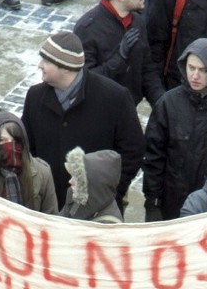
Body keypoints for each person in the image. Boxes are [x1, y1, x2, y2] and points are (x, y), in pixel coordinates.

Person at [21, 31, 144, 209]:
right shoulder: (34, 97)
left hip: (96, 210)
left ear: (65, 67)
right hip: (48, 208)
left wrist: (110, 191)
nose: (40, 65)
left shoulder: (115, 98)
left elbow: (133, 151)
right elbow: (27, 149)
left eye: (46, 61)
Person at [142, 38, 207, 223]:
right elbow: (153, 158)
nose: (195, 76)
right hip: (173, 202)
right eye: (191, 68)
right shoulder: (168, 103)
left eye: (203, 70)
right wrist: (152, 203)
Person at [73, 0, 163, 109]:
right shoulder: (87, 28)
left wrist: (162, 102)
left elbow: (147, 68)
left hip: (128, 109)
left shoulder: (138, 22)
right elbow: (82, 82)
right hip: (99, 112)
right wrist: (119, 59)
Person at [0, 112, 59, 212]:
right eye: (3, 140)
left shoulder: (42, 172)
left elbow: (51, 216)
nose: (10, 146)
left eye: (15, 140)